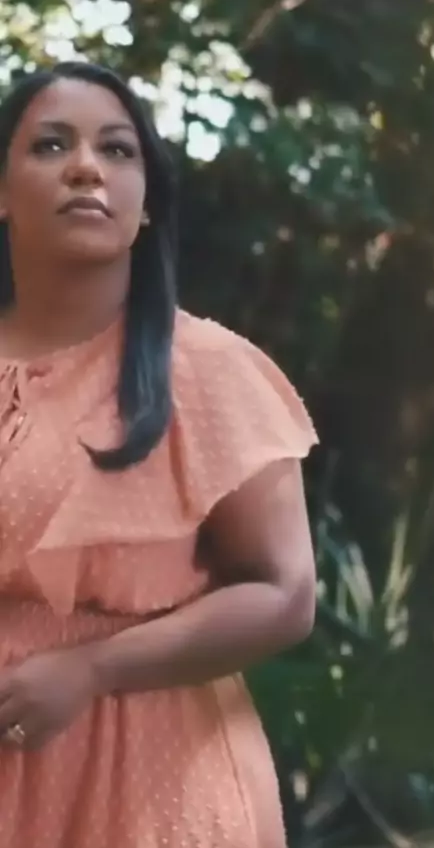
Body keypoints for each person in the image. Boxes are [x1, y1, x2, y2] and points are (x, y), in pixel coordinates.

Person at [0, 61, 318, 848]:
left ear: (145, 205)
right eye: (49, 145)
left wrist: (93, 669)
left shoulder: (207, 372)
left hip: (141, 777)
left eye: (117, 149)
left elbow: (285, 593)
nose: (86, 167)